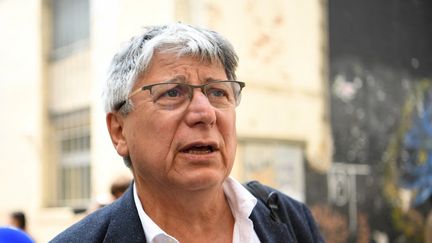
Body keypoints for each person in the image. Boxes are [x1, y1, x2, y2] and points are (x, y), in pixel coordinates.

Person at [50, 23, 323, 243]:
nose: (205, 114)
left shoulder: (290, 219)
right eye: (172, 93)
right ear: (119, 131)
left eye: (218, 92)